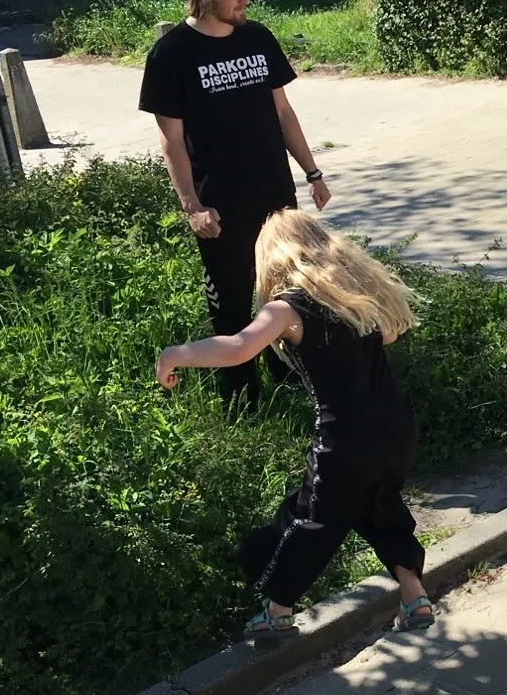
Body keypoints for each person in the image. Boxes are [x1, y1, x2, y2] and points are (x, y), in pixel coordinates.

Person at [155, 210, 433, 637]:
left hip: (346, 439)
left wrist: (176, 354)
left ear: (273, 259)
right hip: (397, 428)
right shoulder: (355, 297)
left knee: (309, 519)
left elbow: (238, 348)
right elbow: (391, 333)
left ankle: (277, 612)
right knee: (378, 505)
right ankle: (414, 597)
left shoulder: (288, 308)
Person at [140, 0, 332, 408]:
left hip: (276, 198)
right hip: (220, 205)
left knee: (289, 293)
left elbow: (283, 112)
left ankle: (291, 383)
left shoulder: (258, 38)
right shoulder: (172, 55)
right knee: (231, 305)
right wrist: (192, 206)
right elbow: (171, 140)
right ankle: (241, 403)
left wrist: (313, 171)